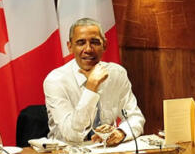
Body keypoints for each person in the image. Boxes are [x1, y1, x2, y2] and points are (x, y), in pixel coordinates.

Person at [43, 18, 144, 146]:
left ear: (105, 45)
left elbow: (135, 117)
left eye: (95, 42)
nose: (88, 49)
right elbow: (72, 135)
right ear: (70, 47)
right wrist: (91, 88)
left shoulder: (117, 73)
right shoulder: (55, 80)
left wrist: (121, 133)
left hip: (106, 152)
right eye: (81, 43)